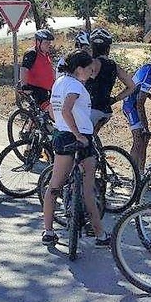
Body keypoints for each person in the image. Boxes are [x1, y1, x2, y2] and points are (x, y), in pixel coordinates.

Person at [41, 50, 111, 248]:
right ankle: (100, 234)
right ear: (80, 69)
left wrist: (63, 126)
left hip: (62, 135)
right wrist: (78, 134)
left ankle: (48, 230)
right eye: (90, 69)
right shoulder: (76, 86)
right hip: (81, 137)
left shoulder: (59, 82)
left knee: (54, 186)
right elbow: (65, 109)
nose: (92, 73)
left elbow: (54, 111)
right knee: (88, 189)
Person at [122, 47, 151, 171]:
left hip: (132, 103)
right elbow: (139, 103)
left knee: (143, 140)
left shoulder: (149, 70)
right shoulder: (149, 74)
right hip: (130, 105)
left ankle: (140, 171)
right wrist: (145, 125)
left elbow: (137, 88)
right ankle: (135, 173)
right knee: (139, 139)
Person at [85, 29, 135, 134]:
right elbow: (131, 86)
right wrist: (115, 99)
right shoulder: (114, 65)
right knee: (91, 139)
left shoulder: (92, 64)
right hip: (105, 110)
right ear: (108, 48)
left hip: (91, 110)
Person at [21, 29, 56, 110]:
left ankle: (34, 122)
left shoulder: (45, 53)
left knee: (42, 117)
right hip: (36, 90)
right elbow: (24, 69)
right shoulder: (32, 53)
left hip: (48, 90)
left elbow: (50, 69)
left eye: (49, 43)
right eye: (46, 43)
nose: (48, 45)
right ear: (38, 42)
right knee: (50, 111)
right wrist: (24, 86)